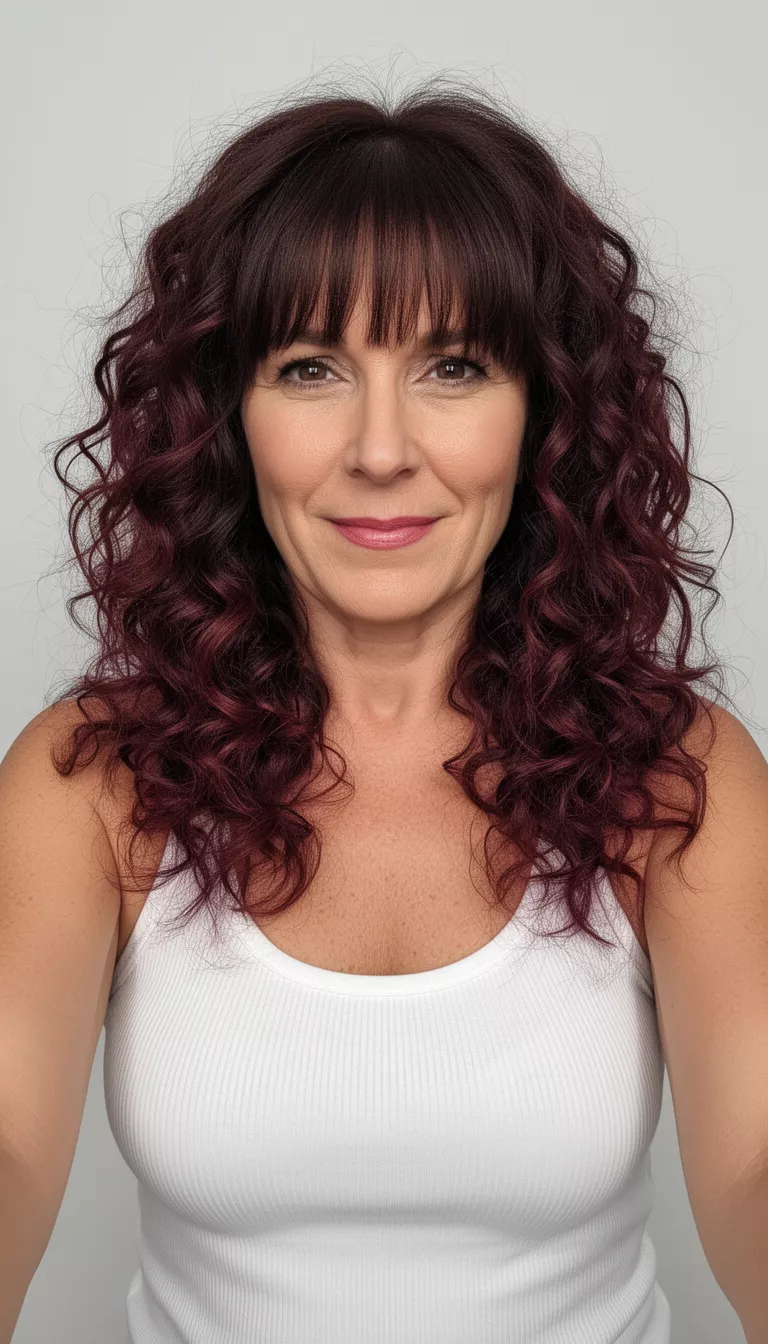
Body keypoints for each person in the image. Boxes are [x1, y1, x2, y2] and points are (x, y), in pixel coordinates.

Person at [2, 78, 767, 1344]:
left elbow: (751, 1176)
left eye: (453, 367)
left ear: (544, 413)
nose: (379, 448)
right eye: (310, 368)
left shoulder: (676, 779)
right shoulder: (92, 784)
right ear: (228, 417)